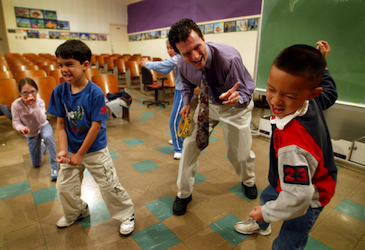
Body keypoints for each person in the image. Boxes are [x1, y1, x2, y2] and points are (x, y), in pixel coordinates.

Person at [234, 41, 338, 250]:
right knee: (270, 195)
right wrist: (322, 65)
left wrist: (267, 212)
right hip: (283, 178)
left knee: (289, 240)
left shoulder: (294, 147)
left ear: (311, 94)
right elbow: (330, 92)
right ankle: (261, 224)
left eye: (289, 95)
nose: (276, 101)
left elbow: (298, 198)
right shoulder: (307, 99)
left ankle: (264, 218)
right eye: (271, 89)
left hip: (309, 197)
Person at [168, 18, 257, 215]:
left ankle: (248, 180)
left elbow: (245, 92)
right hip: (207, 104)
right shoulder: (182, 63)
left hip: (235, 108)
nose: (195, 56)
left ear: (203, 38)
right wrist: (186, 103)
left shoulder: (229, 58)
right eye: (186, 53)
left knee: (239, 154)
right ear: (178, 53)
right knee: (189, 147)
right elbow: (187, 84)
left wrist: (237, 98)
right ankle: (183, 193)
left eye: (197, 47)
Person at [47, 40, 135, 235]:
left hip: (95, 150)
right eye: (60, 64)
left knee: (109, 186)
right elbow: (60, 125)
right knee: (64, 187)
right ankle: (76, 211)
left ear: (85, 65)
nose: (64, 69)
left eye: (69, 64)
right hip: (71, 149)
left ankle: (126, 214)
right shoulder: (59, 91)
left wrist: (80, 154)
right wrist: (63, 150)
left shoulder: (95, 92)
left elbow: (96, 127)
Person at [140, 40, 184, 160]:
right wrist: (148, 66)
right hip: (179, 90)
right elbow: (165, 70)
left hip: (184, 92)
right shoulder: (177, 58)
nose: (169, 50)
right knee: (179, 119)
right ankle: (178, 138)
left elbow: (163, 65)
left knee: (174, 121)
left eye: (172, 47)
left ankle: (179, 148)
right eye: (167, 48)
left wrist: (147, 64)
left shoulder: (180, 57)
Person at [11, 78, 58, 181]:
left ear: (36, 91)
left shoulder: (39, 101)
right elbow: (15, 121)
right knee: (35, 164)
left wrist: (34, 106)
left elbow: (42, 120)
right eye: (25, 93)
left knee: (48, 136)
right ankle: (42, 146)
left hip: (43, 126)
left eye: (33, 91)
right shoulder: (16, 105)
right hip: (31, 132)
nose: (30, 95)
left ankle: (55, 166)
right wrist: (20, 127)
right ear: (20, 93)